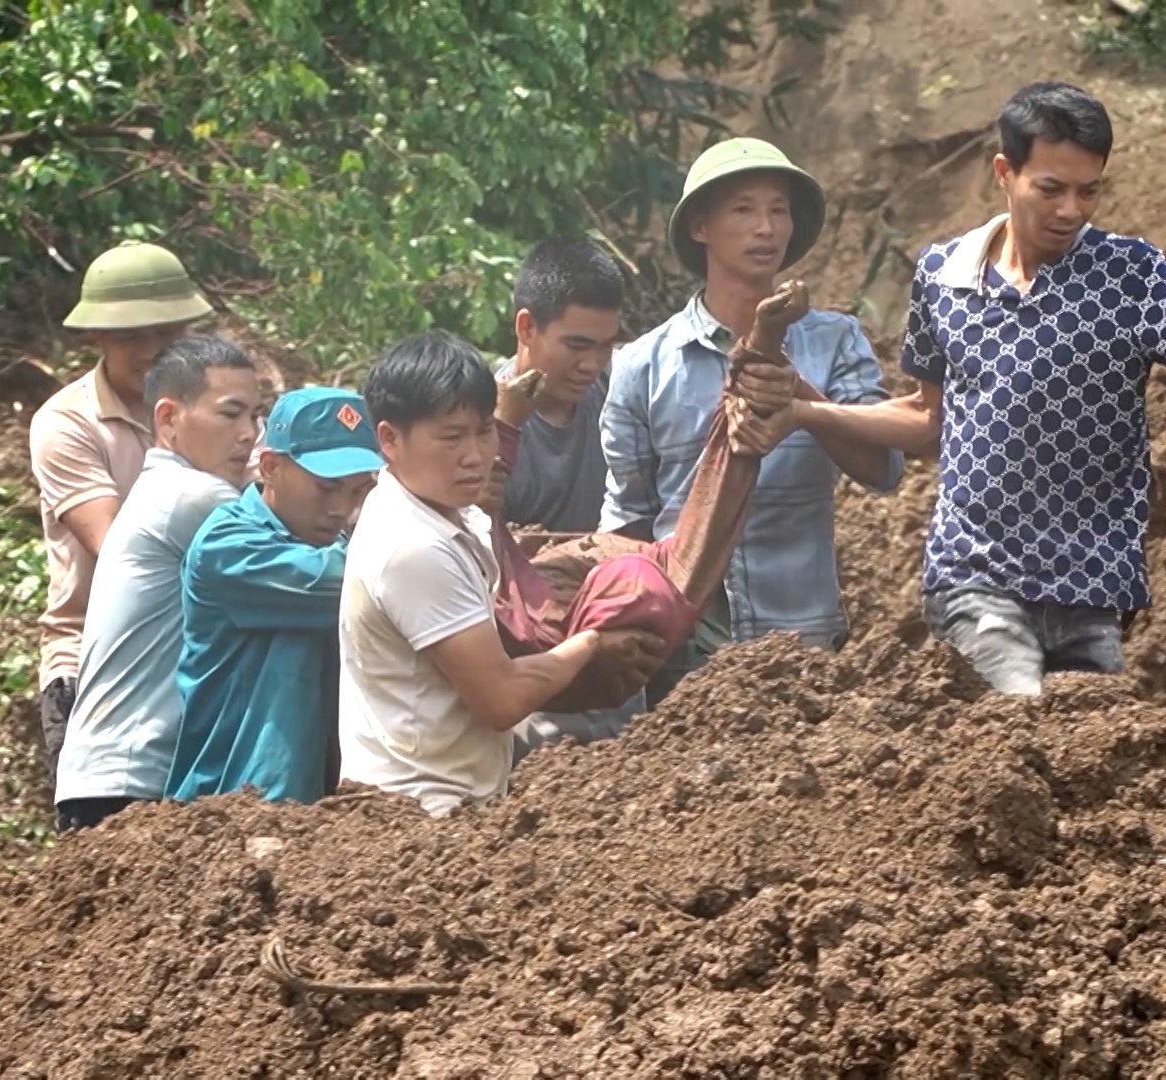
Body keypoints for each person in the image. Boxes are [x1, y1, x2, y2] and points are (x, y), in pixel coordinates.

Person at [798, 81, 1166, 694]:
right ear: (1005, 172)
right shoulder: (944, 276)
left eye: (1088, 190)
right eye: (1051, 188)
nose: (1071, 209)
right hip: (974, 575)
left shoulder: (1131, 273)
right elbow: (929, 419)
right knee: (1021, 706)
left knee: (1091, 750)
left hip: (1092, 588)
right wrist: (813, 413)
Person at [602, 137, 904, 706]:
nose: (765, 227)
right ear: (700, 226)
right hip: (684, 645)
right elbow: (627, 520)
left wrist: (802, 399)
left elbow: (883, 469)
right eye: (743, 209)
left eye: (778, 209)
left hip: (805, 637)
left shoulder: (835, 342)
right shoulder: (642, 365)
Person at [338, 333, 663, 817]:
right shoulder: (413, 548)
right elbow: (503, 699)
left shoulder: (434, 508)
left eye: (484, 431)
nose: (475, 454)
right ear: (389, 439)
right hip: (421, 811)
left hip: (443, 795)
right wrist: (594, 639)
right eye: (452, 437)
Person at [51, 335, 262, 832]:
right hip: (129, 778)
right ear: (167, 419)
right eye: (230, 414)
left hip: (115, 775)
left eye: (256, 416)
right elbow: (303, 569)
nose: (249, 434)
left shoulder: (164, 489)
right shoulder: (195, 497)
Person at [31, 241, 214, 781]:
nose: (152, 351)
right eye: (132, 335)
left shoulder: (216, 411)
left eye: (168, 334)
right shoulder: (69, 423)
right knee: (105, 847)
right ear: (96, 336)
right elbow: (121, 556)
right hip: (93, 660)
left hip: (196, 654)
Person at [167, 386, 385, 804]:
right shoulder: (228, 546)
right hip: (230, 806)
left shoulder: (336, 543)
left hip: (316, 811)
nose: (342, 507)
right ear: (269, 467)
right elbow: (377, 577)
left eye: (359, 491)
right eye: (326, 488)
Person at [494, 237, 627, 534]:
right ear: (526, 328)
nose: (591, 364)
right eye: (576, 345)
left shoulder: (623, 385)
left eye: (605, 346)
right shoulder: (485, 429)